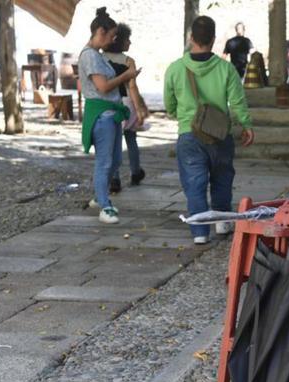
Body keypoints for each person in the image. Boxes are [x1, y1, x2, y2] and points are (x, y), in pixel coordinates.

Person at [165, 15, 255, 245]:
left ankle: (200, 232)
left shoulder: (175, 69)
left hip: (189, 134)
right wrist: (246, 125)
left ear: (191, 38)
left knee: (194, 182)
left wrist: (183, 116)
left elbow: (170, 105)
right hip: (220, 134)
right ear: (214, 39)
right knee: (222, 176)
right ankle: (223, 221)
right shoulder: (226, 69)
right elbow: (237, 102)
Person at [80, 7, 139, 224]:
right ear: (101, 32)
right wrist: (127, 75)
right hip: (102, 115)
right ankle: (105, 206)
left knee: (114, 161)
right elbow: (103, 86)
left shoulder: (98, 56)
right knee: (105, 162)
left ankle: (100, 195)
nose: (113, 40)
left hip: (112, 114)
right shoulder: (90, 56)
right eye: (112, 36)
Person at [104, 23, 148, 192]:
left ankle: (114, 178)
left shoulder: (100, 58)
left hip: (108, 104)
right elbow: (132, 88)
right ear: (119, 41)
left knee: (113, 142)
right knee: (131, 138)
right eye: (127, 39)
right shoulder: (129, 61)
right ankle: (135, 172)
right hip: (127, 103)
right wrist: (139, 109)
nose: (130, 43)